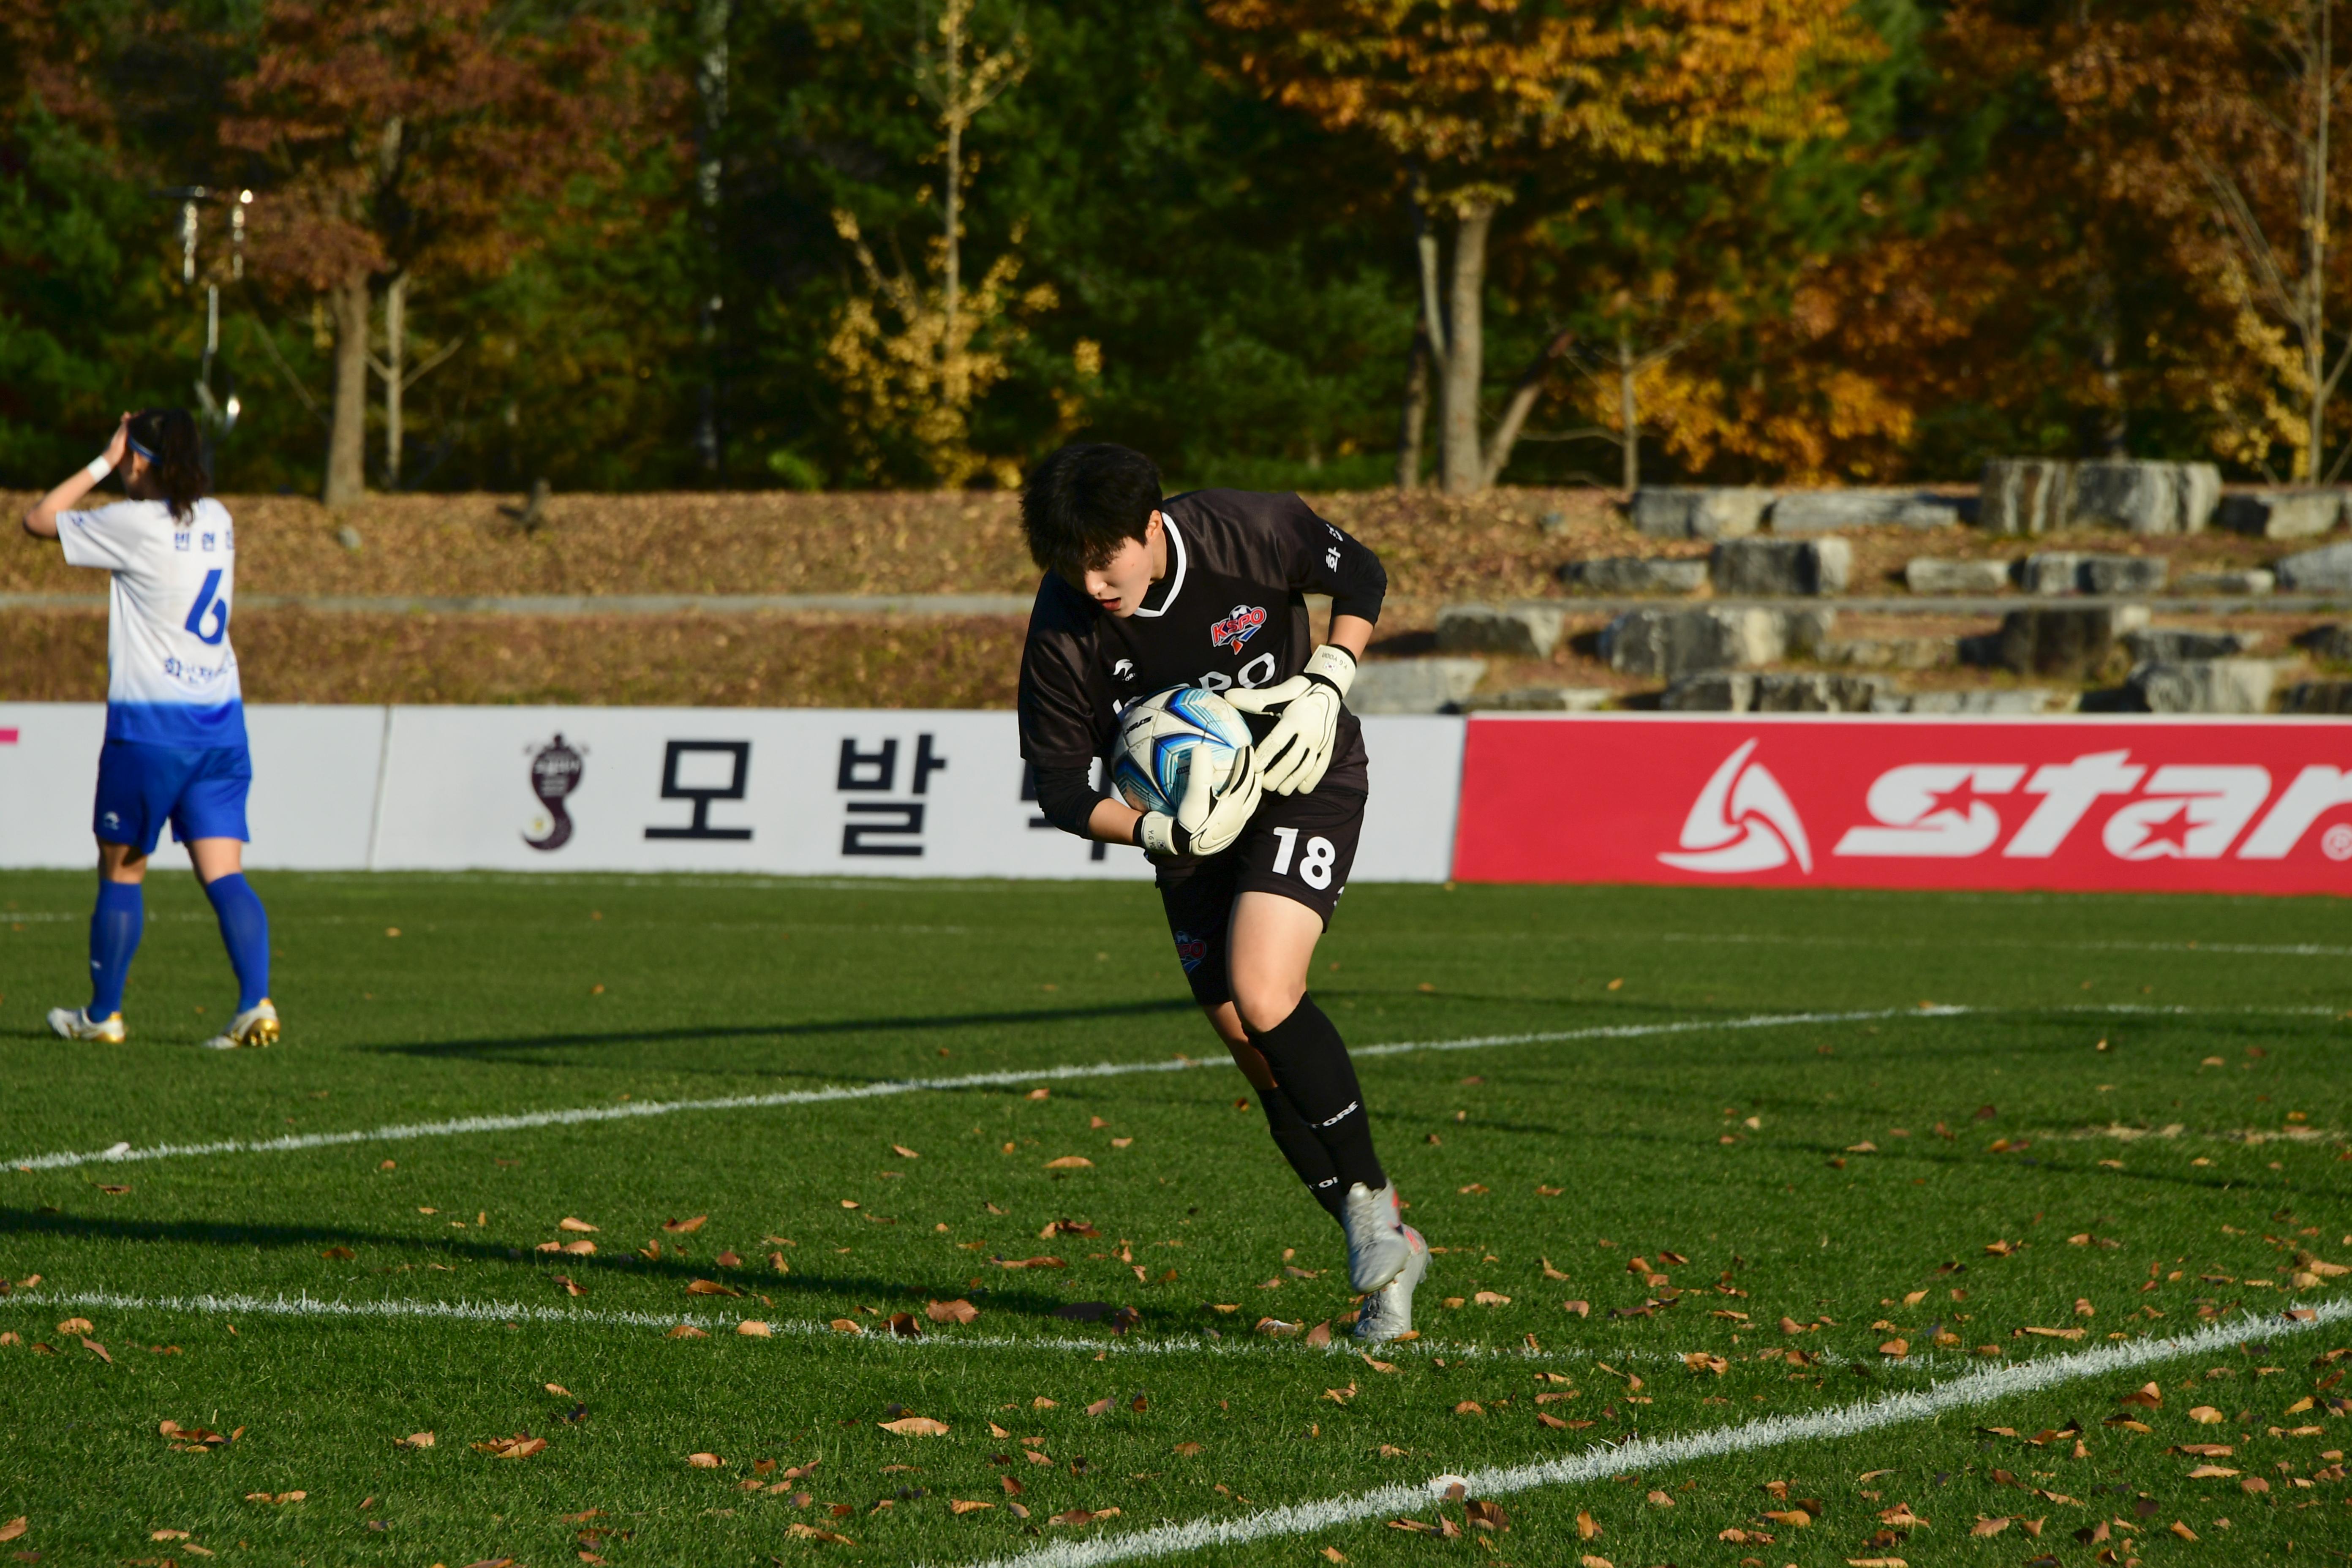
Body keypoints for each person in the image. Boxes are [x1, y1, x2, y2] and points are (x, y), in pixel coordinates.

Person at [1016, 441, 1427, 1342]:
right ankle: (1390, 1258)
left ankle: (1367, 1201)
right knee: (1252, 1045)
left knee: (1264, 986)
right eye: (1068, 562)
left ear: (1150, 526)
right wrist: (1155, 831)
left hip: (1303, 773)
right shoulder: (1062, 630)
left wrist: (1329, 677)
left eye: (1103, 557)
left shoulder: (1250, 527)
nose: (1090, 581)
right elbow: (1057, 785)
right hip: (1190, 836)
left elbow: (1361, 574)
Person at [19, 409, 278, 1050]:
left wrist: (103, 464)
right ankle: (256, 1003)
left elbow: (38, 520)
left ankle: (103, 1015)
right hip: (220, 728)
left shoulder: (132, 523)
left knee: (122, 870)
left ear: (139, 458)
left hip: (151, 731)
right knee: (224, 873)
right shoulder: (218, 519)